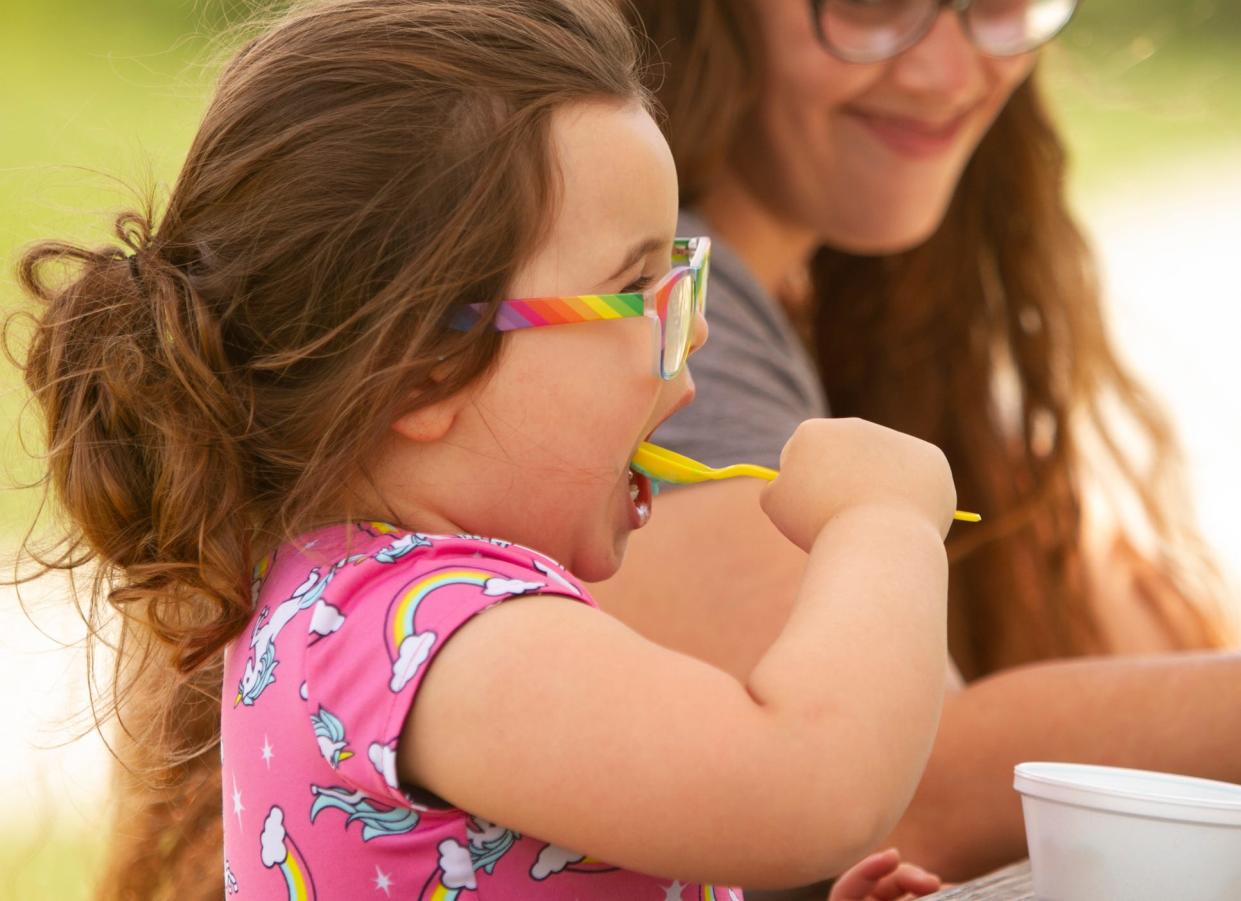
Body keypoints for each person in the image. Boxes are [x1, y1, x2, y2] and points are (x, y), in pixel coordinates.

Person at [13, 1, 958, 898]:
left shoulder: (352, 606)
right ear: (425, 367)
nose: (696, 333)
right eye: (641, 287)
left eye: (685, 276)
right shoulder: (439, 631)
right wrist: (881, 525)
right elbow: (806, 789)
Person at [596, 0, 1241, 888]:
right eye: (868, 3)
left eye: (999, 2)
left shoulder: (863, 294)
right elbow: (887, 791)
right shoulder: (658, 309)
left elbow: (1131, 621)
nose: (948, 72)